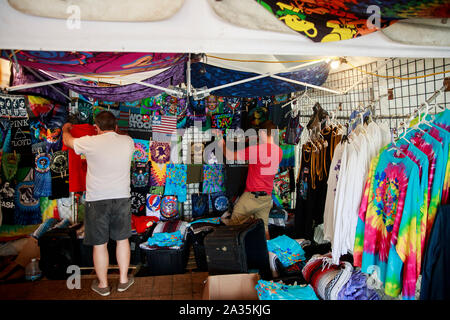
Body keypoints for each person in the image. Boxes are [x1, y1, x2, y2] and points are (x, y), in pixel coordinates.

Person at [62, 111, 135, 296]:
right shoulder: (128, 142)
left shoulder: (90, 142)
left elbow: (68, 141)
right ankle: (124, 280)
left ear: (96, 127)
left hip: (96, 200)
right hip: (121, 197)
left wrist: (66, 129)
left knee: (100, 244)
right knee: (122, 240)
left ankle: (103, 285)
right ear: (116, 126)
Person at [219, 120, 283, 239]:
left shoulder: (257, 150)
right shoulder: (279, 151)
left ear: (263, 133)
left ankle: (233, 255)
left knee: (233, 226)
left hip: (252, 197)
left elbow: (229, 156)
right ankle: (268, 255)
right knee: (264, 230)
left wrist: (221, 143)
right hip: (266, 199)